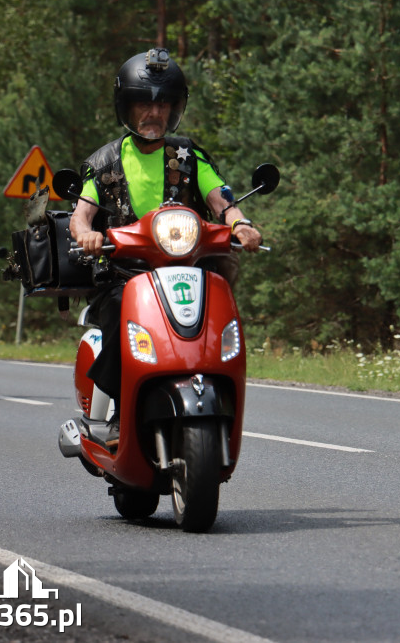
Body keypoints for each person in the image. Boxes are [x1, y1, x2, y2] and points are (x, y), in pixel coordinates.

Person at [69, 47, 261, 439]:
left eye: (163, 104)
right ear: (127, 107)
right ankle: (118, 410)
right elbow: (81, 214)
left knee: (218, 299)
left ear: (175, 108)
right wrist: (86, 235)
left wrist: (241, 224)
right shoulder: (104, 161)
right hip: (125, 272)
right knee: (122, 308)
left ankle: (215, 385)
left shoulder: (189, 155)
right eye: (143, 103)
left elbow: (221, 199)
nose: (153, 113)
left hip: (187, 267)